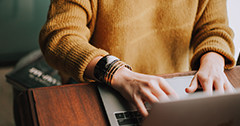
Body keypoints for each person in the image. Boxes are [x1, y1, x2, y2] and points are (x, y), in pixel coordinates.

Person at [39, 0, 236, 117]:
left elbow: (215, 29)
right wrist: (115, 72)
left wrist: (213, 60)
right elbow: (59, 36)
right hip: (100, 83)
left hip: (174, 90)